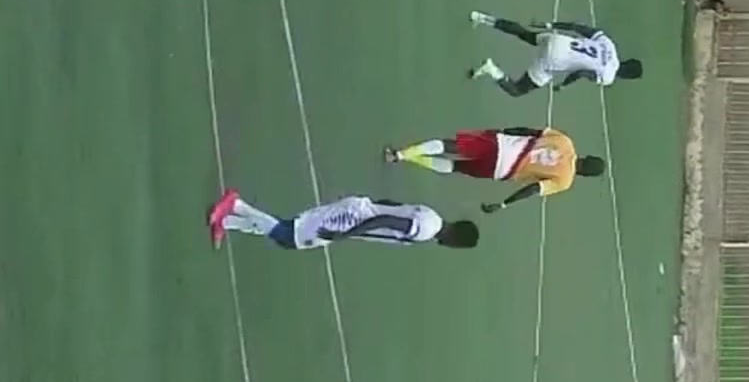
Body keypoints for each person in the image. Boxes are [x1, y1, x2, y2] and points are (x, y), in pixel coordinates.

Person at [384, 126, 604, 210]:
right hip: (502, 170)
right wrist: (504, 203)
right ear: (585, 175)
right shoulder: (565, 181)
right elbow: (532, 189)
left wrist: (505, 131)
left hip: (502, 145)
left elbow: (530, 131)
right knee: (455, 166)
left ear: (586, 157)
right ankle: (408, 159)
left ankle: (401, 154)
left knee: (450, 145)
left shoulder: (565, 141)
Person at [206, 189, 478, 252]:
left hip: (356, 211)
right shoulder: (426, 230)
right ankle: (235, 205)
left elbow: (393, 205)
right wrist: (346, 233)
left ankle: (227, 222)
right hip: (351, 221)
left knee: (290, 232)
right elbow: (387, 220)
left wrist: (367, 204)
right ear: (454, 239)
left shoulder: (432, 215)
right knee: (289, 237)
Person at [468, 13, 642, 93]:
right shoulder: (608, 77)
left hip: (559, 40)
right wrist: (564, 85)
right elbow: (582, 73)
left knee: (525, 34)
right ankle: (491, 69)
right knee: (518, 89)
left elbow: (577, 27)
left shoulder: (610, 46)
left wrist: (550, 25)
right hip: (554, 59)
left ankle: (482, 18)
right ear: (626, 76)